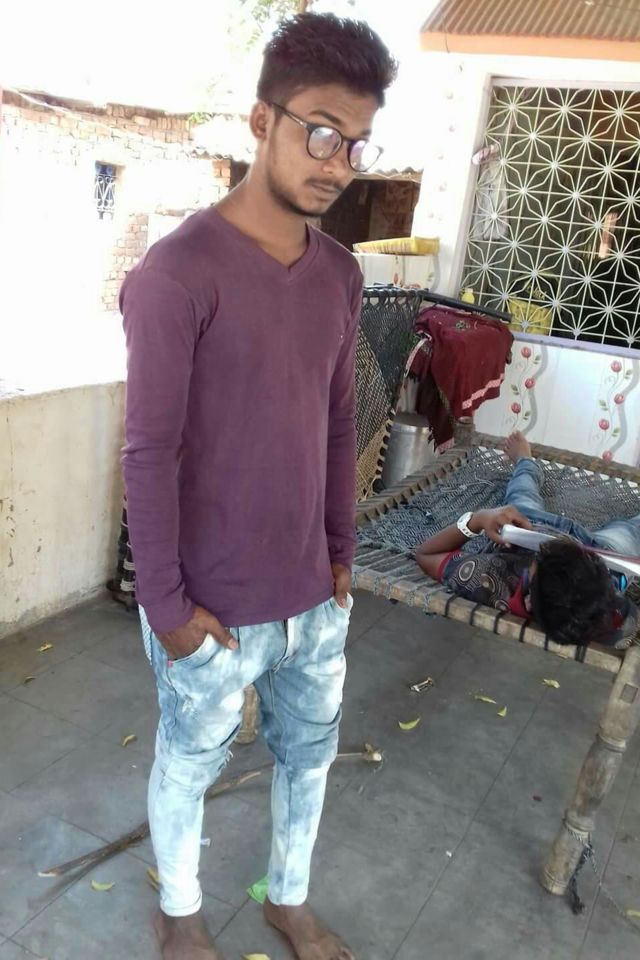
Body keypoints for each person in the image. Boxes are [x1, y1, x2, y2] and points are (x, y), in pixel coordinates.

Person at [120, 13, 397, 960]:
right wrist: (165, 607)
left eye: (356, 142)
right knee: (188, 764)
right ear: (261, 121)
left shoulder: (340, 275)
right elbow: (148, 451)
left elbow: (336, 422)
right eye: (321, 131)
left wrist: (340, 555)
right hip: (210, 609)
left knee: (308, 759)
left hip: (314, 596)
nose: (338, 162)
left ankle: (288, 899)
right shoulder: (177, 274)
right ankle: (181, 913)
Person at [416, 432, 639, 649]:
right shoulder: (612, 615)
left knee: (522, 492)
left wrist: (478, 519)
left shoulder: (489, 578)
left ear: (529, 600)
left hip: (528, 527)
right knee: (629, 531)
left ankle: (525, 462)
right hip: (601, 550)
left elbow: (426, 554)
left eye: (541, 553)